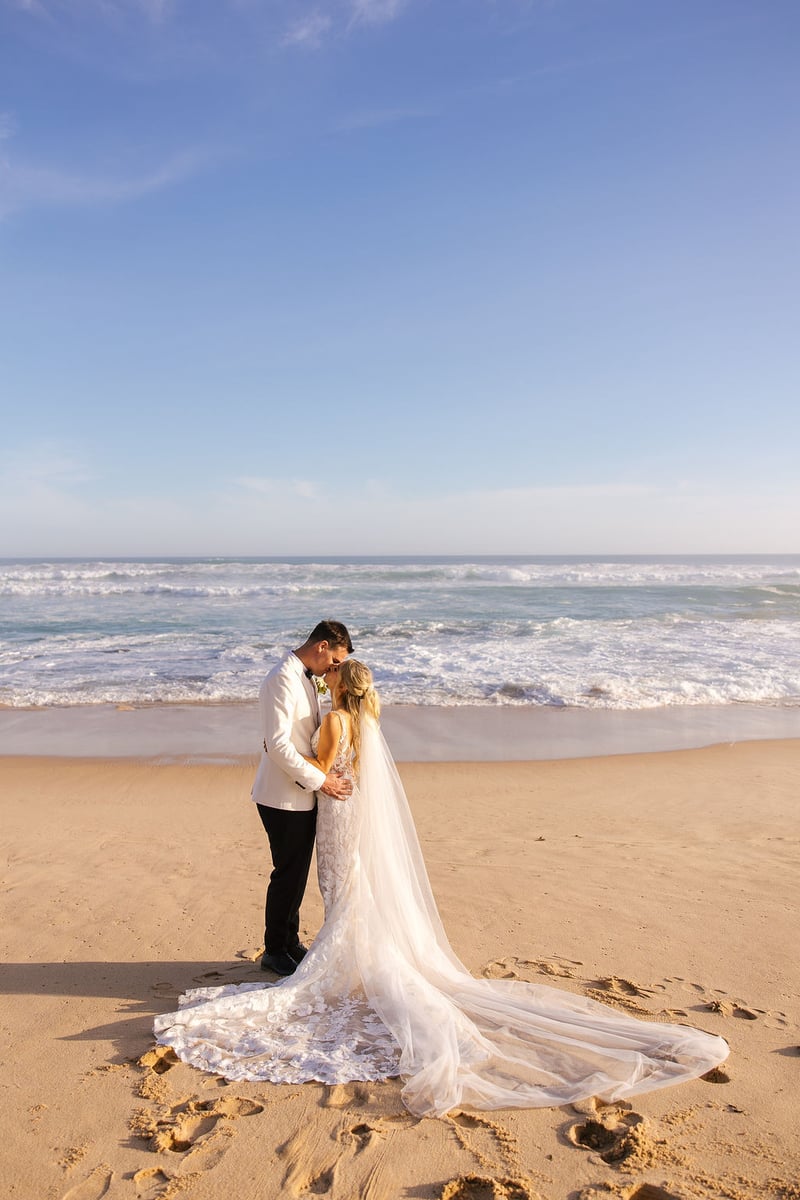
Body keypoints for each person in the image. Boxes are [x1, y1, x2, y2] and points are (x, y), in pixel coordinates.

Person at [154, 662, 728, 1118]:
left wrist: (288, 756)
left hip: (336, 819)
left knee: (341, 891)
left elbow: (323, 771)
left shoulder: (335, 722)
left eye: (331, 674)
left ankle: (349, 966)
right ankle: (357, 962)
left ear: (339, 683)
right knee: (354, 895)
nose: (326, 676)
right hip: (353, 818)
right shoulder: (368, 723)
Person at [251, 620, 353, 978]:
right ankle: (275, 950)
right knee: (286, 874)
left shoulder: (305, 677)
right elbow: (278, 745)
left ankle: (290, 942)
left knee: (296, 875)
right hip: (281, 795)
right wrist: (321, 780)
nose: (333, 669)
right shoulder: (281, 679)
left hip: (300, 792)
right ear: (322, 646)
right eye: (335, 660)